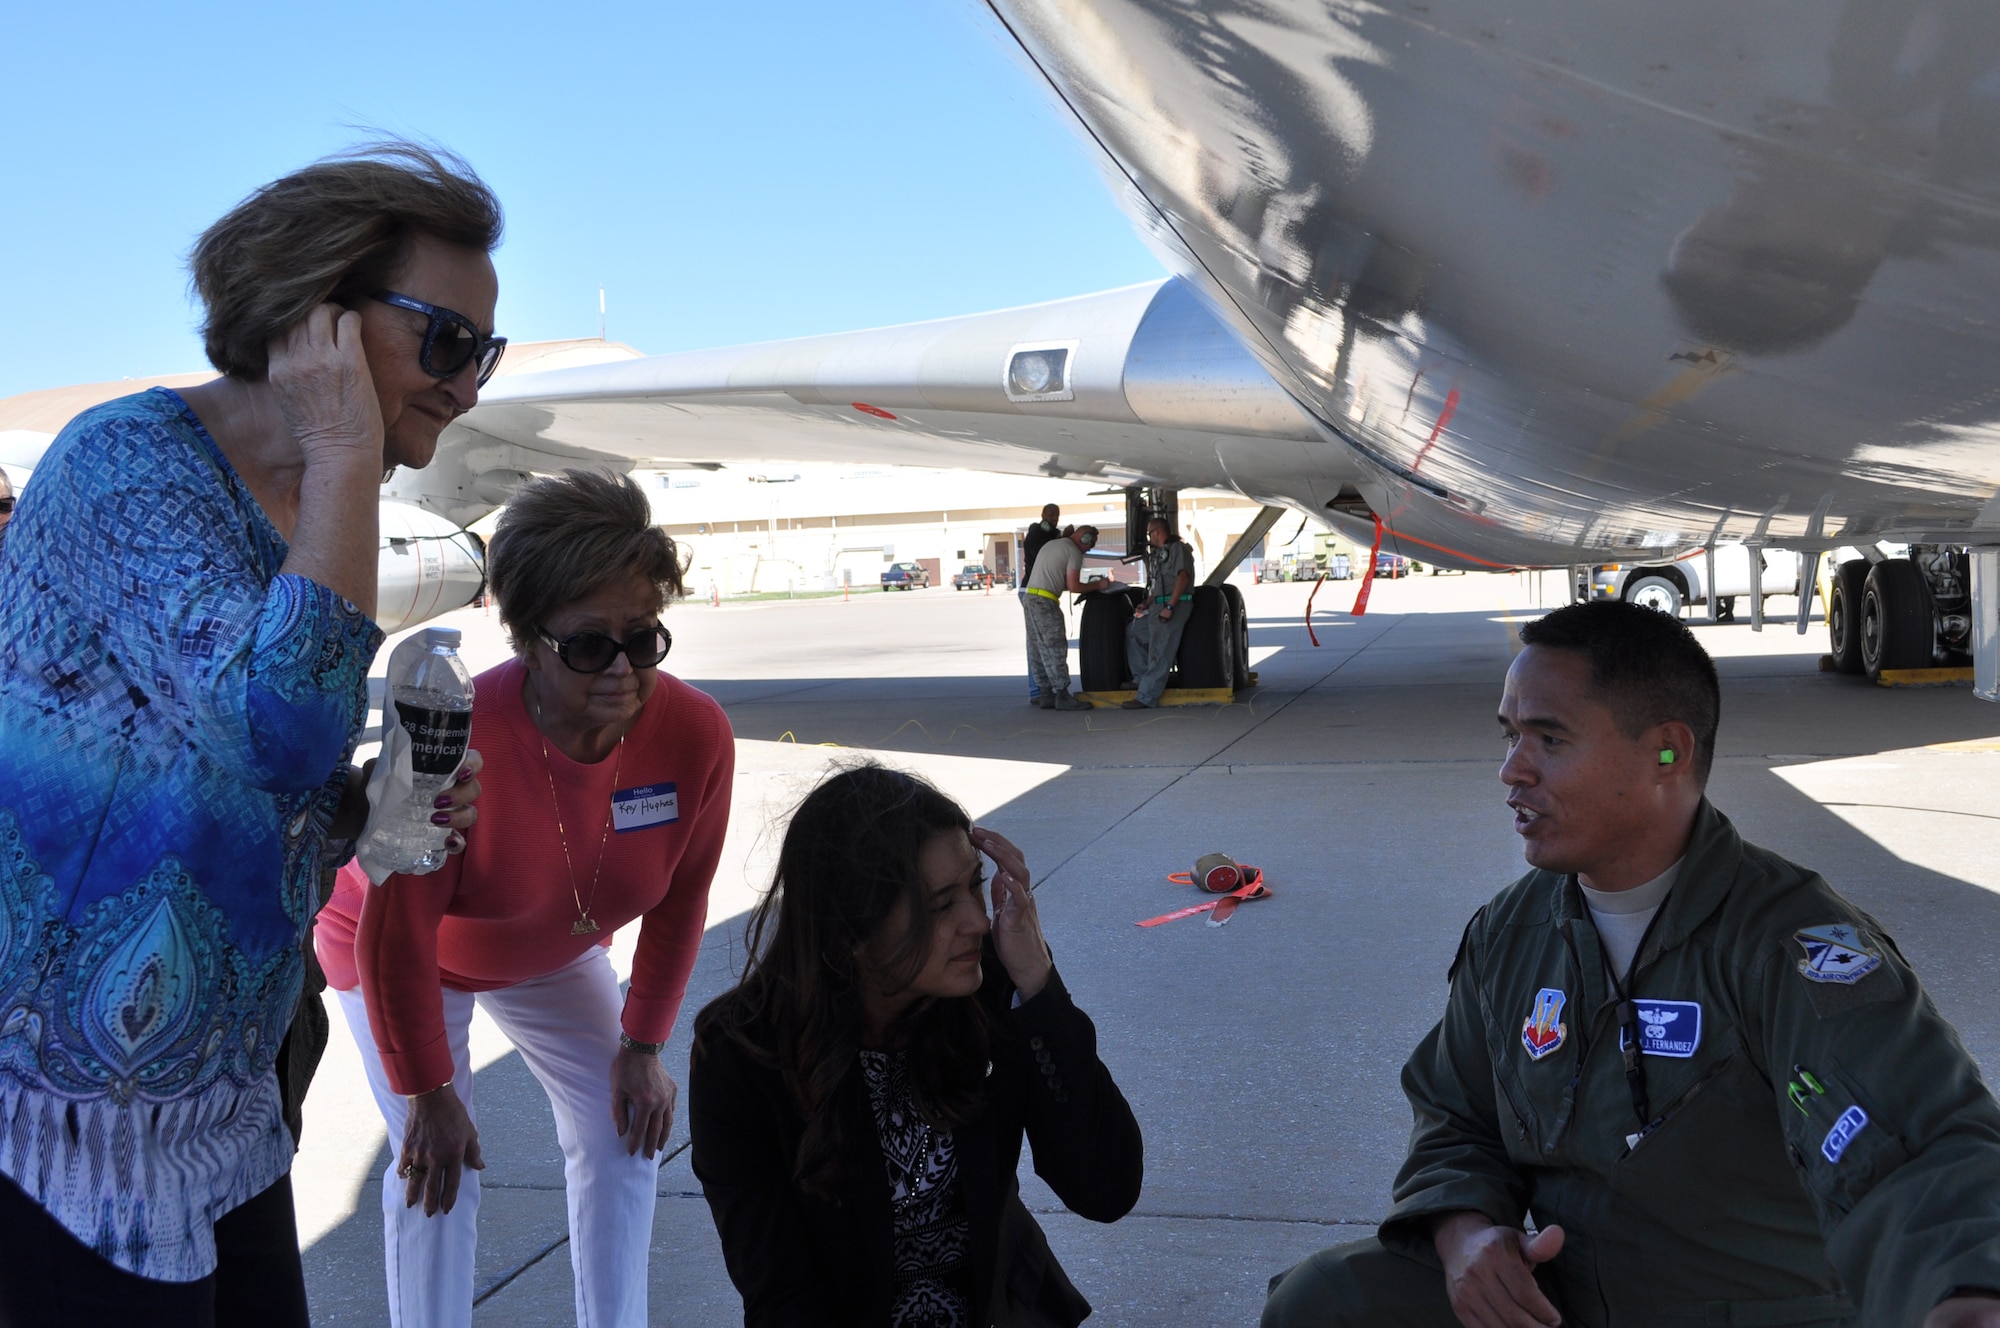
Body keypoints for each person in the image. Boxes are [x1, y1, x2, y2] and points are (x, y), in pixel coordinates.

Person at [0, 142, 495, 1327]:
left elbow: (240, 781)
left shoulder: (311, 509)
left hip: (228, 1106)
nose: (469, 383)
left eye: (487, 350)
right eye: (448, 341)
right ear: (315, 318)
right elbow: (273, 724)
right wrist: (344, 448)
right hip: (75, 1128)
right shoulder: (126, 464)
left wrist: (360, 807)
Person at [1262, 598, 2000, 1328]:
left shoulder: (1790, 947)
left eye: (1548, 739)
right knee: (1326, 1302)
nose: (1510, 771)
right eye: (1510, 735)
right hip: (1561, 1302)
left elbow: (1916, 1147)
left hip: (1741, 1309)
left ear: (1667, 753)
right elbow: (1458, 1119)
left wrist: (1965, 1294)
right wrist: (1467, 1237)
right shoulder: (1512, 930)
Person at [314, 468, 735, 1328]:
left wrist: (644, 1044)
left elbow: (683, 900)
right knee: (439, 1165)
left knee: (627, 1128)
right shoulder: (458, 740)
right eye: (588, 645)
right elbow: (398, 936)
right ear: (528, 640)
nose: (622, 671)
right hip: (400, 952)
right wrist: (428, 1091)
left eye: (643, 638)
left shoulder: (694, 735)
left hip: (547, 946)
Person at [690, 764, 1143, 1327]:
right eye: (941, 904)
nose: (978, 921)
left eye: (975, 884)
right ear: (852, 927)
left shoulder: (989, 990)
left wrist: (1038, 984)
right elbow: (781, 1292)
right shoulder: (742, 1054)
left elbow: (1107, 1188)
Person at [1023, 524, 1122, 711]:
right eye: (1090, 543)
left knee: (1036, 647)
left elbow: (1061, 580)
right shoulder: (1073, 551)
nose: (1089, 548)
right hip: (1045, 602)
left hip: (1031, 598)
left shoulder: (1054, 544)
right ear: (1083, 538)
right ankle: (1062, 695)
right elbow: (1075, 586)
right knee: (1055, 647)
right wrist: (1099, 585)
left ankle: (1045, 693)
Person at [1121, 515, 1193, 710]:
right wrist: (1147, 602)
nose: (1149, 537)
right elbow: (1159, 584)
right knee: (1134, 633)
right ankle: (1143, 680)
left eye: (1150, 533)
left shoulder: (1178, 549)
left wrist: (1170, 607)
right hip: (1157, 606)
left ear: (1158, 532)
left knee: (1160, 650)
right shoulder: (1164, 552)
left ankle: (1146, 697)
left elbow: (1182, 577)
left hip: (1173, 606)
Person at [1020, 503, 1061, 701]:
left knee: (1042, 642)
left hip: (1041, 590)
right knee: (1037, 643)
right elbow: (1044, 557)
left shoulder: (1053, 535)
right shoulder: (1037, 534)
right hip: (1032, 590)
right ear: (1043, 515)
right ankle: (1038, 689)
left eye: (1057, 515)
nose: (1054, 518)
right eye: (1051, 514)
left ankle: (1043, 688)